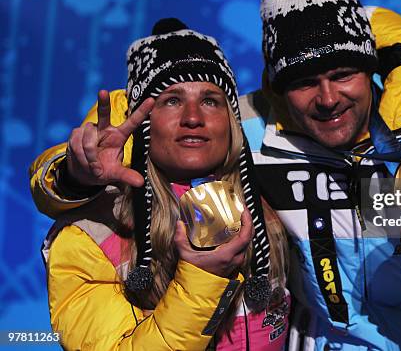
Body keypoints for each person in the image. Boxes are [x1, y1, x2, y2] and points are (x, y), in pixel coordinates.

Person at [30, 0, 401, 350]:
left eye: (343, 74)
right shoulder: (248, 123)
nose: (328, 98)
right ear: (273, 87)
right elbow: (126, 123)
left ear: (372, 67)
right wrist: (72, 175)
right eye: (304, 82)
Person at [31, 19, 290, 350]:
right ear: (142, 120)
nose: (193, 117)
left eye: (210, 99)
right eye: (171, 100)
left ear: (231, 119)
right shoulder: (91, 235)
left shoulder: (268, 191)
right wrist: (202, 280)